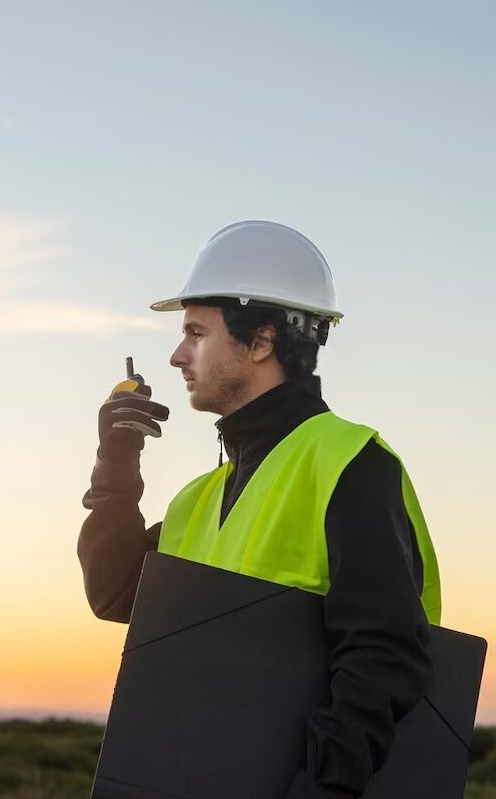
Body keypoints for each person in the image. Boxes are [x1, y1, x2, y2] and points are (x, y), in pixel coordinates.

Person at [77, 220, 441, 799]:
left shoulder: (350, 463)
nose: (176, 355)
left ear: (262, 341)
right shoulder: (202, 496)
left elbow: (383, 657)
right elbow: (115, 593)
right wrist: (115, 466)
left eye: (196, 332)